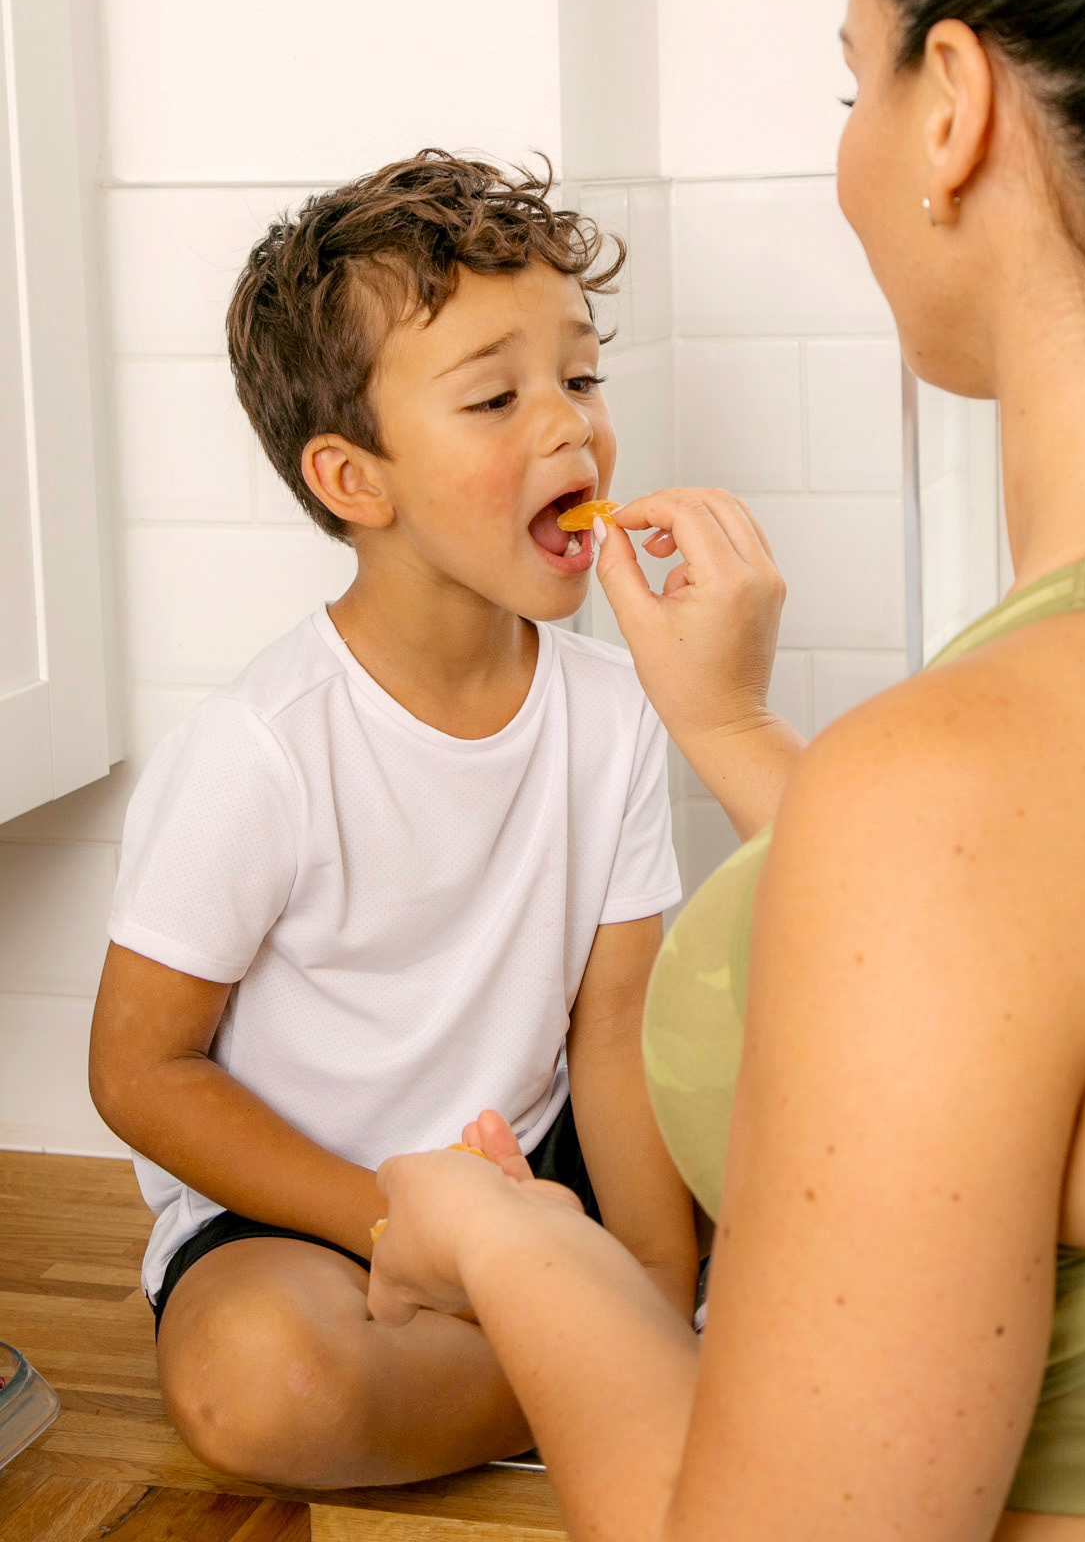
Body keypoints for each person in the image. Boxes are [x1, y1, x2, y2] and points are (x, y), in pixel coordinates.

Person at [362, 0, 1085, 1542]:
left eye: (850, 90)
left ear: (951, 106)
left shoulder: (964, 791)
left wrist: (507, 1240)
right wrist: (733, 733)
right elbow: (1065, 977)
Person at [87, 152, 699, 1488]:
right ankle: (626, 1371)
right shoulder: (263, 751)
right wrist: (409, 1226)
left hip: (543, 1168)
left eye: (580, 379)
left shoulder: (611, 710)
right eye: (494, 396)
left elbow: (617, 1030)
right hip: (312, 1217)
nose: (569, 428)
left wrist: (654, 1266)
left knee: (813, 1105)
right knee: (265, 1392)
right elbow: (139, 1075)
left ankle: (609, 1336)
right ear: (355, 481)